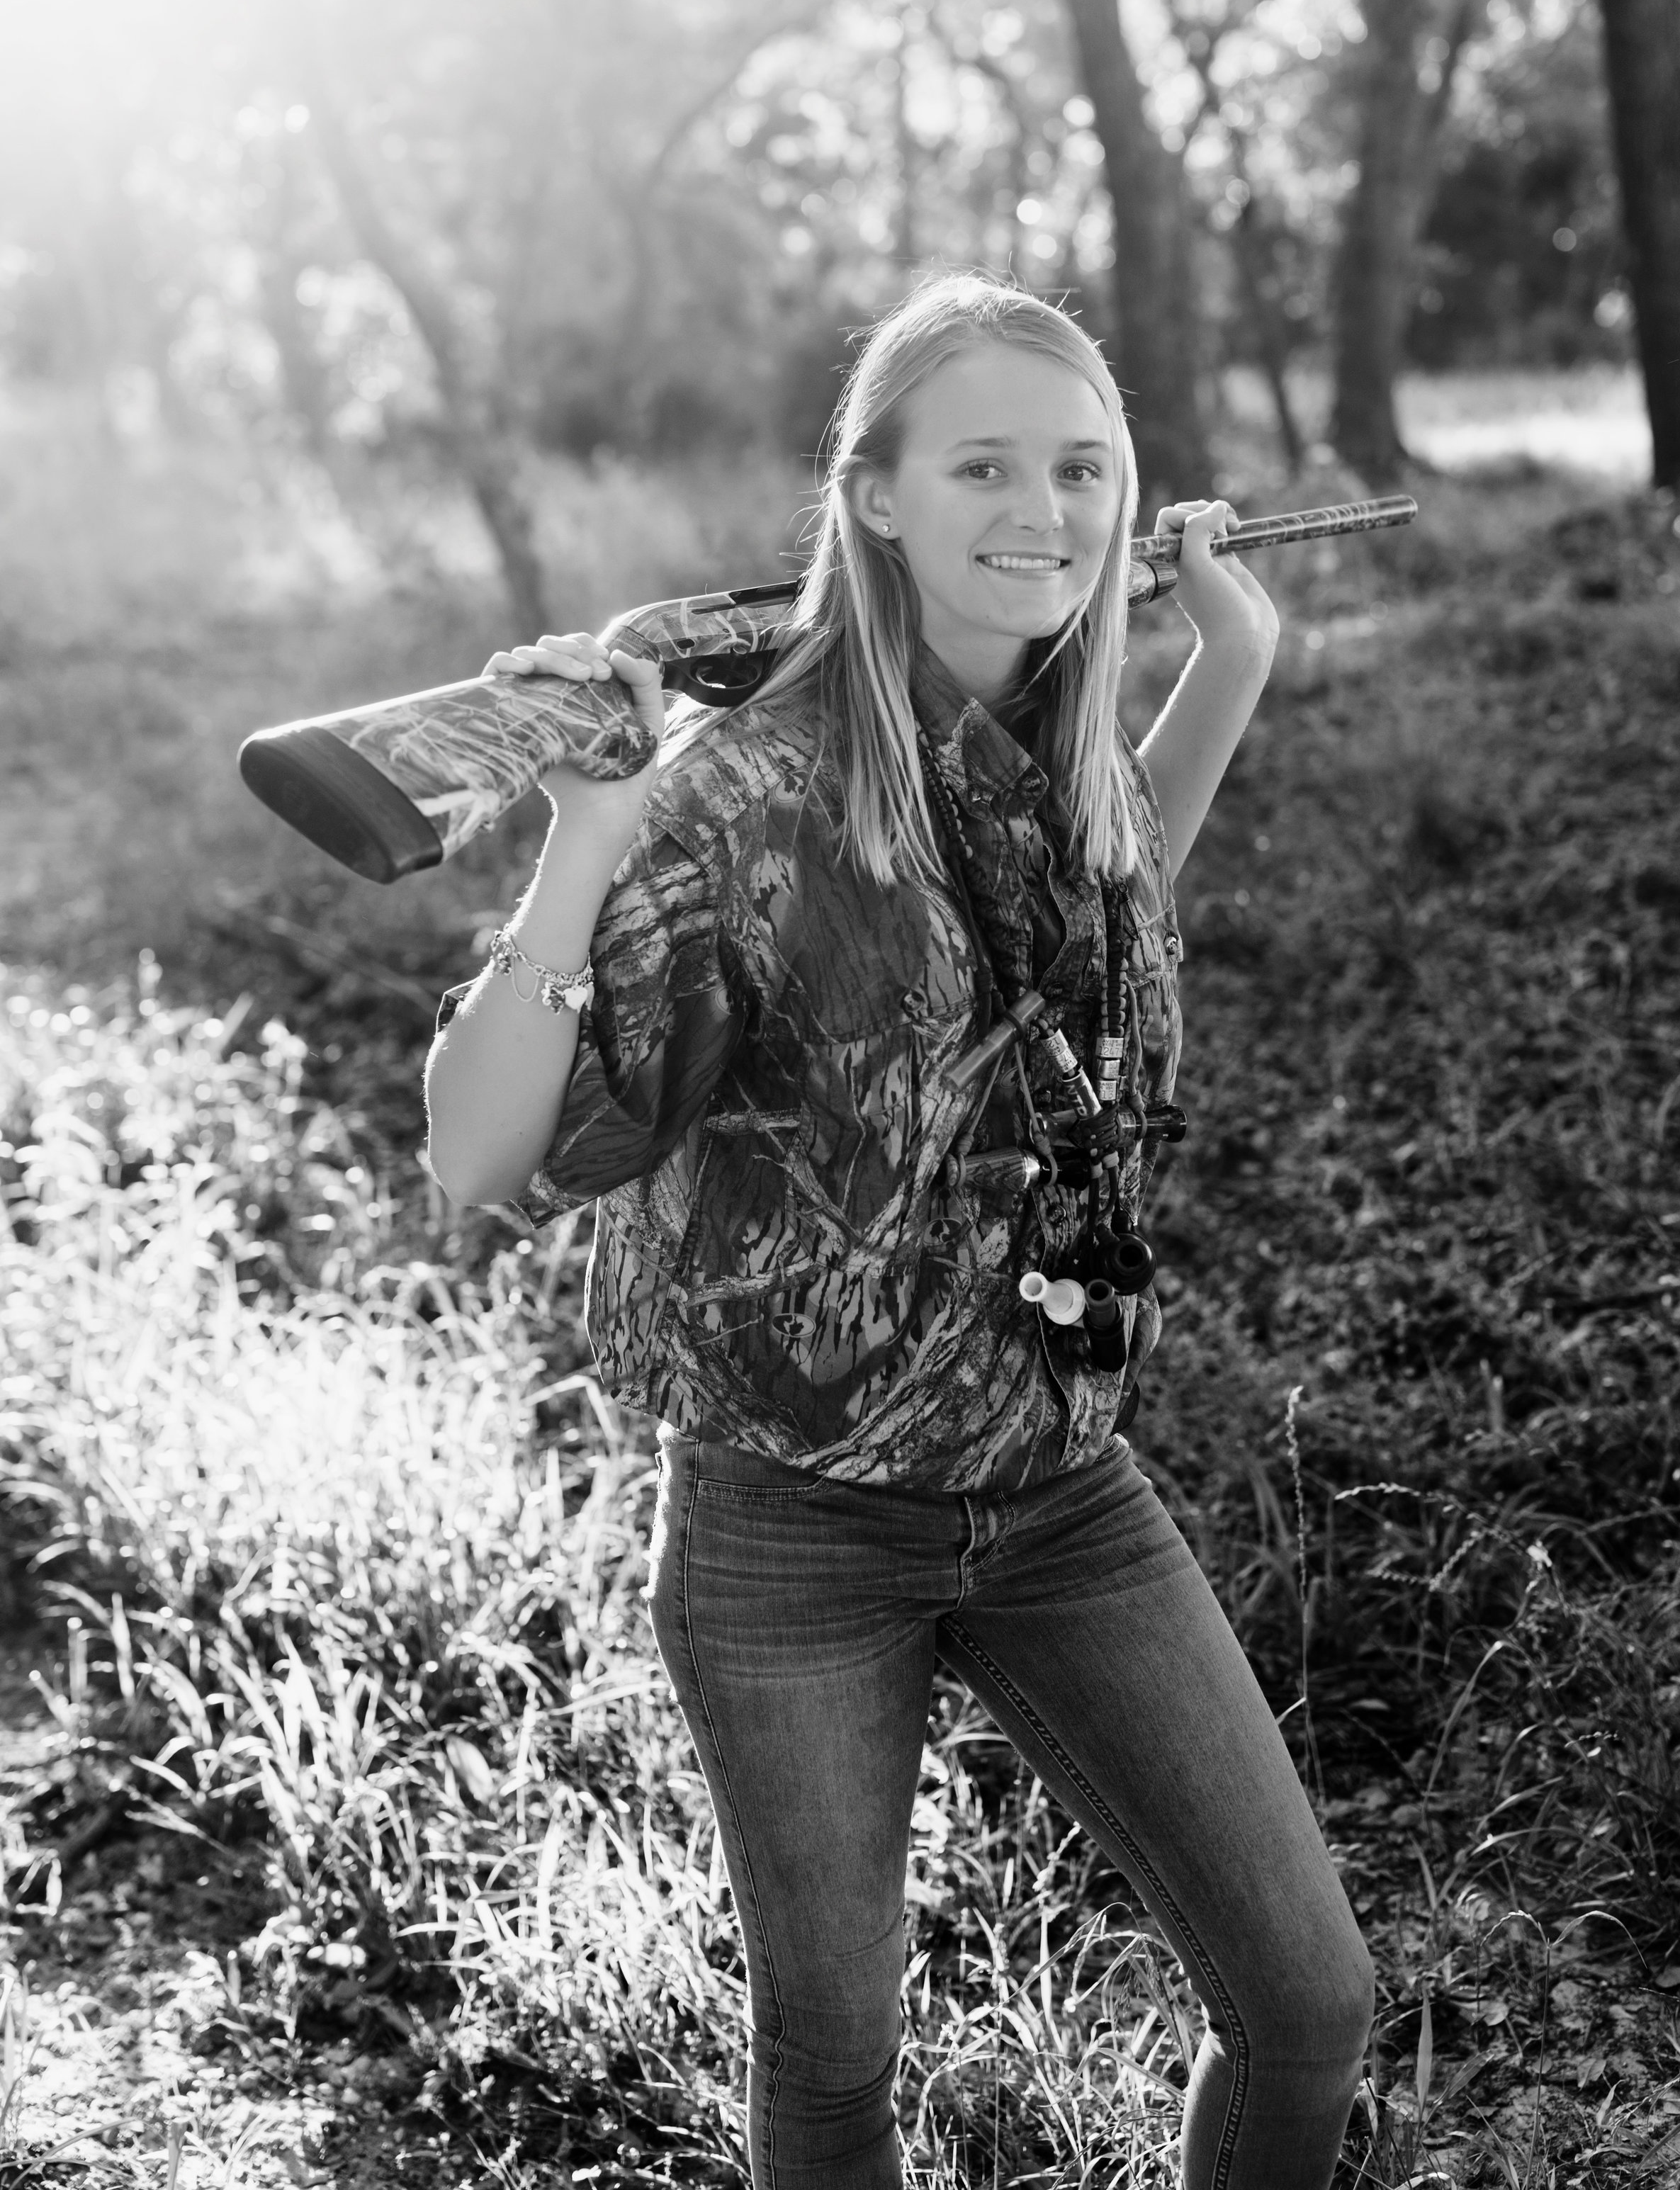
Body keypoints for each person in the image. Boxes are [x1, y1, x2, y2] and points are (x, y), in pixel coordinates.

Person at [425, 273, 1374, 2190]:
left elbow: (1100, 923)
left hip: (1059, 1489)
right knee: (837, 2061)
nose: (1045, 510)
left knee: (1307, 2003)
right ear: (869, 494)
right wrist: (583, 837)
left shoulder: (1043, 726)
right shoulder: (748, 789)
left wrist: (1229, 658)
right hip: (795, 1523)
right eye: (985, 465)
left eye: (1081, 467)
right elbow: (476, 1151)